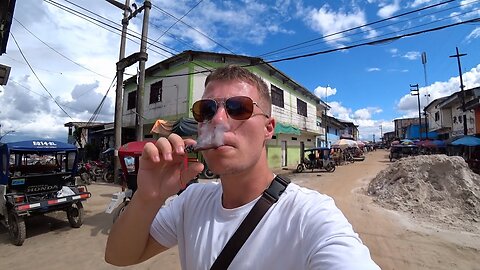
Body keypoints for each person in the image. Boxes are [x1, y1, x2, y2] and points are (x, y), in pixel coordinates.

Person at [105, 66, 380, 269]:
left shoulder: (310, 216)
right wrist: (147, 198)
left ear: (268, 128)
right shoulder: (190, 202)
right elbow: (119, 257)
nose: (220, 120)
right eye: (207, 110)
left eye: (238, 107)